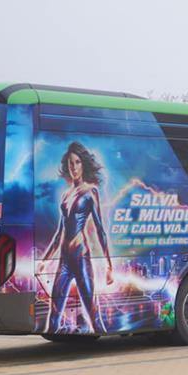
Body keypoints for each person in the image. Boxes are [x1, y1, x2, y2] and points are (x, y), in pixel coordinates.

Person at [41, 141, 113, 333]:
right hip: (64, 260)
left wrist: (108, 265)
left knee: (93, 314)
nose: (73, 167)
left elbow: (100, 229)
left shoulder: (90, 192)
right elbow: (58, 234)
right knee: (53, 314)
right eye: (71, 163)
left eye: (77, 162)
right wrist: (44, 260)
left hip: (81, 257)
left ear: (83, 165)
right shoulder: (65, 195)